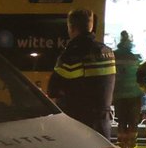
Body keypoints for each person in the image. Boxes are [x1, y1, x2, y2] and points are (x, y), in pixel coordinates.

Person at [47, 8, 116, 139]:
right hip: (103, 122)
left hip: (79, 123)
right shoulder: (108, 52)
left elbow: (52, 90)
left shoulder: (72, 54)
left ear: (71, 27)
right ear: (91, 26)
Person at [113, 31, 143, 148]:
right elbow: (143, 74)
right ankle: (132, 146)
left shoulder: (113, 55)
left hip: (119, 94)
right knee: (133, 121)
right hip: (134, 94)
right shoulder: (136, 57)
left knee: (121, 120)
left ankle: (121, 146)